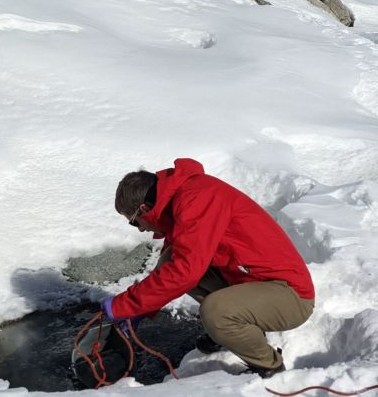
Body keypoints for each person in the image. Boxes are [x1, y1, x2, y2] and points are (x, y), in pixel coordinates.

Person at [102, 158, 315, 377]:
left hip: (290, 295)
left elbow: (185, 271)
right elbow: (175, 264)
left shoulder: (197, 199)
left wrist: (125, 306)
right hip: (252, 282)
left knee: (215, 312)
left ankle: (269, 366)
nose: (139, 230)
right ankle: (232, 328)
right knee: (170, 259)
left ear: (145, 208)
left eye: (134, 222)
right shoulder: (182, 199)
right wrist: (140, 308)